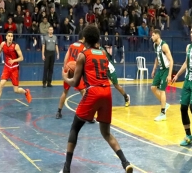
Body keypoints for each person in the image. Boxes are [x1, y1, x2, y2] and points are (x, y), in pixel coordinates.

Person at [60, 25, 133, 173]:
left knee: (75, 128)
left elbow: (75, 82)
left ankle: (66, 168)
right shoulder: (103, 54)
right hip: (107, 93)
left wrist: (65, 78)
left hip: (93, 92)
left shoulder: (83, 55)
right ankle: (125, 162)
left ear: (84, 39)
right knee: (106, 133)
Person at [0, 31, 32, 112]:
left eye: (11, 36)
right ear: (6, 37)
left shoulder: (16, 46)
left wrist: (14, 60)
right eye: (9, 36)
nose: (10, 37)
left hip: (14, 68)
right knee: (1, 84)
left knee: (16, 90)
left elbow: (21, 58)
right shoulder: (3, 44)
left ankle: (26, 92)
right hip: (7, 67)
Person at [56, 31, 86, 119]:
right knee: (84, 92)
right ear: (84, 38)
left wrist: (65, 69)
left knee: (65, 92)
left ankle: (58, 112)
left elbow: (66, 58)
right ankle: (86, 114)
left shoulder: (72, 45)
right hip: (76, 71)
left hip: (69, 70)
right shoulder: (83, 47)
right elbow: (83, 60)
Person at [151, 29, 173, 121]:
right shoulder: (155, 45)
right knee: (153, 87)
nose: (151, 37)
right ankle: (165, 103)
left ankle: (163, 113)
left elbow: (171, 60)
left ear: (158, 36)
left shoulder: (164, 45)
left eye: (153, 35)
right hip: (160, 70)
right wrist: (153, 69)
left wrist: (169, 75)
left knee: (162, 90)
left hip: (166, 70)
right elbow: (157, 58)